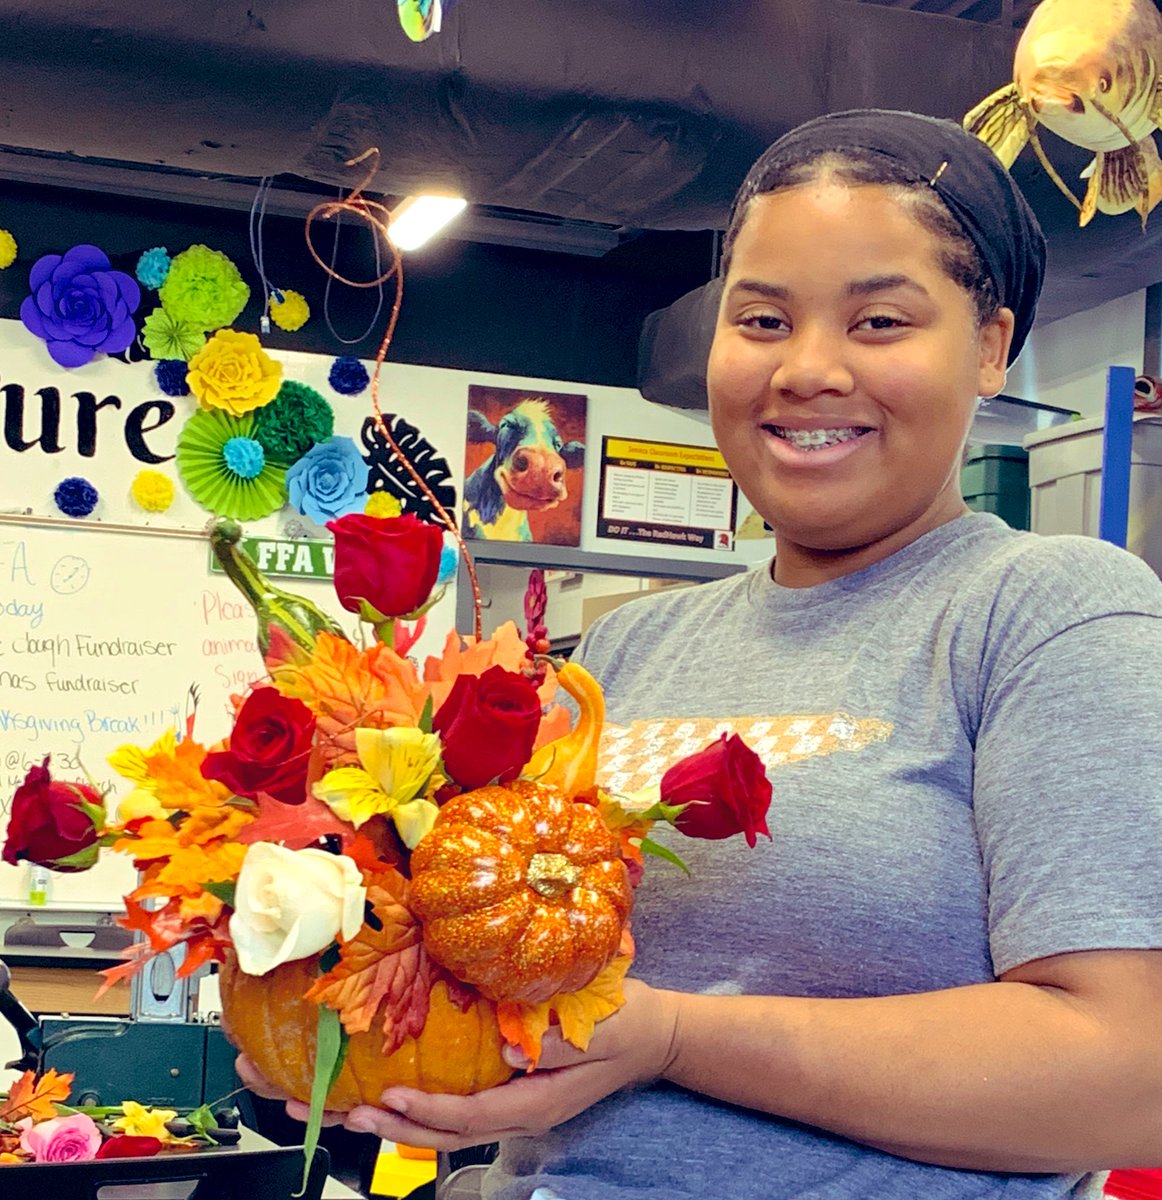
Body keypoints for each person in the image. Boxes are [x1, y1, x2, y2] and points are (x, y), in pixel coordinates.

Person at [239, 110, 1162, 1199]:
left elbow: (1126, 1078)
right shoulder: (631, 647)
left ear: (990, 347)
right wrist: (347, 1006)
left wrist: (673, 1038)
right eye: (762, 318)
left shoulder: (1042, 612)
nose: (807, 369)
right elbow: (524, 981)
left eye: (878, 322)